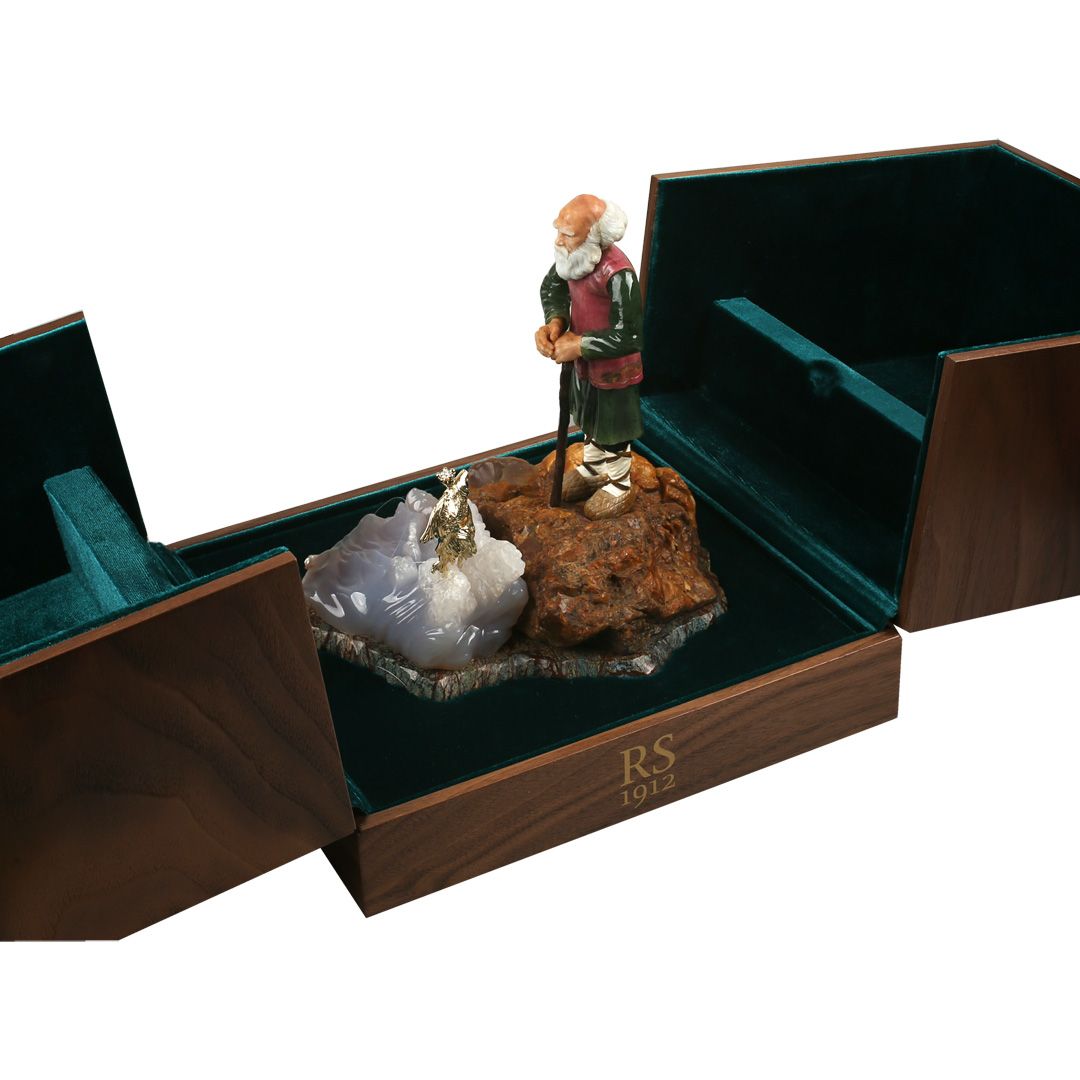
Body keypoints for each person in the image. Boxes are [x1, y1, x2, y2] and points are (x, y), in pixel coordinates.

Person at [535, 194, 644, 520]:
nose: (558, 240)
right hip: (584, 367)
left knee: (612, 428)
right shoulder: (573, 260)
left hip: (614, 370)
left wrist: (580, 344)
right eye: (558, 230)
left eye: (568, 234)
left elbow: (630, 335)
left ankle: (620, 484)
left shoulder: (618, 274)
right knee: (589, 419)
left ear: (593, 236)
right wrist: (556, 322)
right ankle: (594, 469)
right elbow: (552, 288)